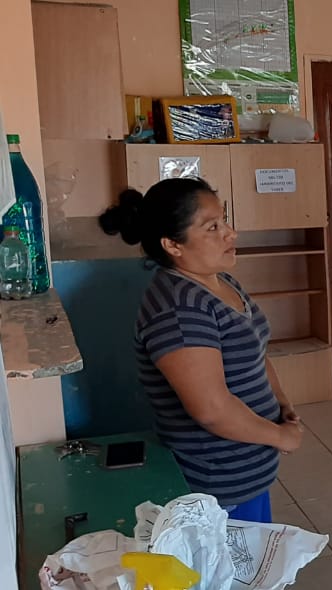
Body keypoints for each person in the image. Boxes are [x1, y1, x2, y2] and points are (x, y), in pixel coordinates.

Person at [99, 177, 303, 523]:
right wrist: (280, 436)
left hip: (248, 472)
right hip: (217, 484)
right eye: (212, 227)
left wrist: (282, 404)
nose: (231, 233)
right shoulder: (179, 308)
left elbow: (255, 352)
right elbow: (211, 409)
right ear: (172, 245)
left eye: (224, 221)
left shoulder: (219, 281)